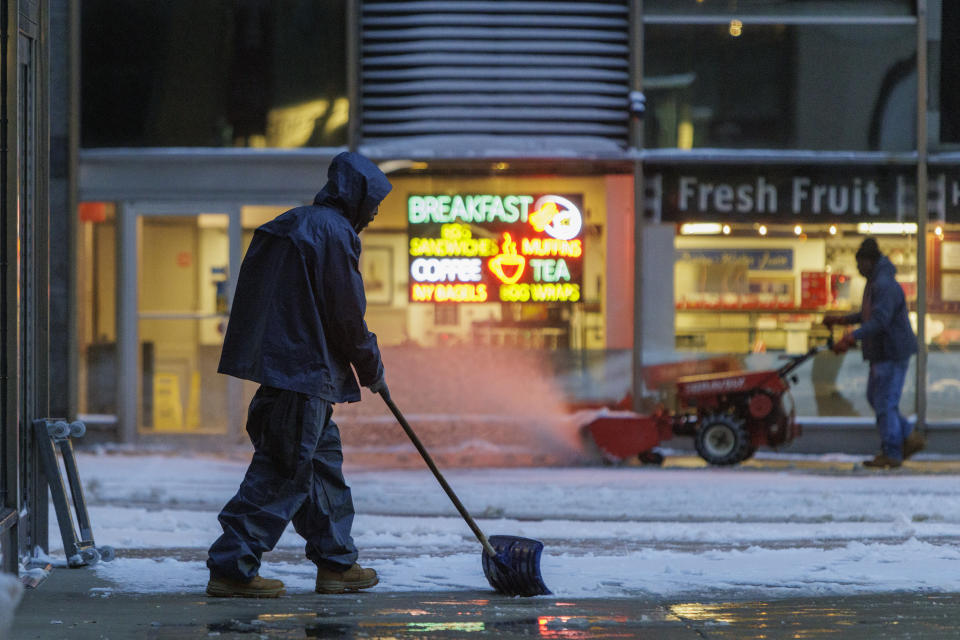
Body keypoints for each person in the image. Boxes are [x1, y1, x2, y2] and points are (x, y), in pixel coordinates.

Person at [205, 151, 392, 598]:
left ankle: (336, 564)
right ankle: (232, 569)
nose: (376, 212)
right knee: (282, 472)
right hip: (302, 377)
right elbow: (346, 313)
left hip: (287, 374)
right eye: (375, 202)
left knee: (321, 472)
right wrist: (372, 368)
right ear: (357, 196)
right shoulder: (333, 232)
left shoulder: (291, 223)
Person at [824, 237, 923, 469]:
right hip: (883, 352)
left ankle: (892, 452)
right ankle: (908, 435)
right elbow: (868, 314)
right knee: (877, 399)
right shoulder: (876, 281)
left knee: (884, 402)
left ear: (869, 261)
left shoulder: (883, 284)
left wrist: (850, 336)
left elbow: (879, 320)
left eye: (859, 263)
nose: (857, 268)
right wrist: (843, 320)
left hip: (891, 352)